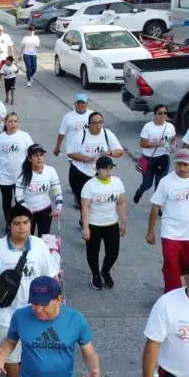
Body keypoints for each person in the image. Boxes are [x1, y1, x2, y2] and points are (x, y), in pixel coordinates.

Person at [0, 204, 62, 377]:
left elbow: (51, 277)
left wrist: (55, 305)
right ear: (9, 225)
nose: (21, 227)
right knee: (11, 357)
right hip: (7, 314)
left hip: (38, 312)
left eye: (26, 223)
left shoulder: (39, 247)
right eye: (17, 223)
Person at [146, 149, 189, 293]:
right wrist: (150, 231)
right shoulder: (166, 182)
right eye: (178, 165)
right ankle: (171, 296)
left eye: (185, 165)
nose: (182, 169)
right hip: (170, 232)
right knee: (172, 267)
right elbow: (155, 207)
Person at [65, 111, 124, 220]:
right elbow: (70, 153)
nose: (98, 126)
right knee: (82, 200)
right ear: (89, 124)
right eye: (95, 123)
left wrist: (109, 153)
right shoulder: (81, 135)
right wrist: (85, 159)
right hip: (80, 173)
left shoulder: (107, 134)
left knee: (93, 201)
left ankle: (89, 222)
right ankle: (84, 220)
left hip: (98, 174)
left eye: (100, 122)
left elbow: (120, 151)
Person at [81, 156, 127, 290]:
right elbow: (85, 207)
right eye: (105, 169)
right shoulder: (89, 185)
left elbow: (121, 202)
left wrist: (124, 222)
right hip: (94, 224)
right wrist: (85, 228)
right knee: (93, 252)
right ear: (97, 169)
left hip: (111, 223)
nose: (108, 171)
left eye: (110, 168)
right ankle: (95, 274)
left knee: (113, 252)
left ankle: (105, 271)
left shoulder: (117, 183)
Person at [0, 112, 35, 224]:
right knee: (7, 200)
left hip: (21, 175)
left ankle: (20, 221)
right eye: (10, 121)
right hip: (3, 174)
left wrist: (34, 169)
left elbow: (32, 154)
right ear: (5, 123)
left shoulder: (24, 136)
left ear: (18, 123)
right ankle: (9, 223)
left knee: (19, 200)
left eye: (15, 121)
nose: (13, 124)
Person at [53, 94, 93, 207]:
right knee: (78, 172)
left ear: (86, 104)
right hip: (73, 151)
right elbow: (62, 134)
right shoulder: (68, 117)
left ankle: (86, 193)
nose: (81, 105)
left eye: (83, 103)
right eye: (78, 103)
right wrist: (57, 147)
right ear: (75, 104)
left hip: (89, 149)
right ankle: (77, 196)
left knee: (88, 172)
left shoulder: (92, 115)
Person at [14, 143, 62, 237]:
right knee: (26, 238)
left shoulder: (50, 171)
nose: (39, 158)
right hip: (27, 212)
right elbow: (18, 196)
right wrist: (27, 210)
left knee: (44, 239)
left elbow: (57, 191)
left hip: (45, 210)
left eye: (41, 155)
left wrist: (58, 208)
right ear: (29, 158)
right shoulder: (22, 174)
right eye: (36, 156)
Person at [133, 106, 176, 204]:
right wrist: (157, 144)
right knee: (147, 184)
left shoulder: (170, 126)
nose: (163, 115)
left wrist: (173, 145)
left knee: (160, 184)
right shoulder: (148, 127)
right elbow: (142, 144)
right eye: (160, 113)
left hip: (164, 157)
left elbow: (173, 139)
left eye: (165, 113)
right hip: (149, 159)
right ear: (155, 114)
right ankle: (140, 192)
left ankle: (157, 206)